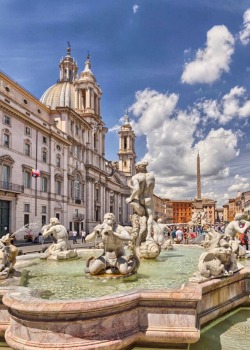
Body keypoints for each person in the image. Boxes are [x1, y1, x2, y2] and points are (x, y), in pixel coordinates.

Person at [126, 161, 155, 240]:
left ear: (138, 167)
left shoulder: (136, 177)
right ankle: (148, 236)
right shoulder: (152, 176)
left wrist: (131, 198)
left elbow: (137, 189)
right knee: (150, 217)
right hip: (148, 198)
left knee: (140, 215)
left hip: (140, 198)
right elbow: (151, 188)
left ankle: (139, 234)